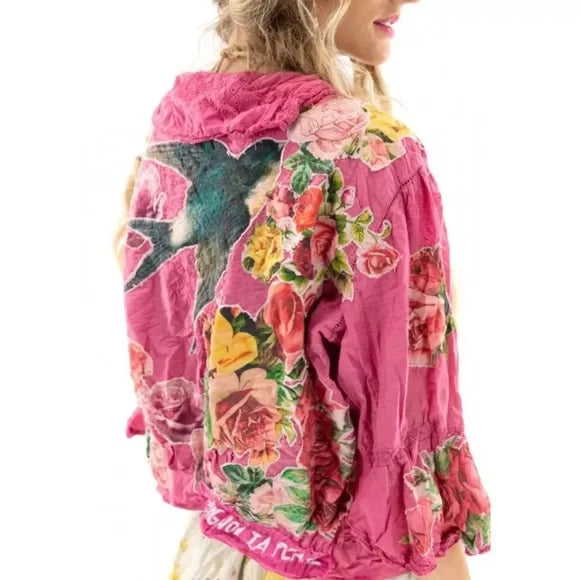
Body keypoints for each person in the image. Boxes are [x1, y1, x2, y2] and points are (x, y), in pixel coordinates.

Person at [114, 1, 491, 578]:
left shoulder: (181, 125)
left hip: (221, 546)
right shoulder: (371, 153)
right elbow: (403, 436)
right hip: (347, 556)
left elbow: (166, 351)